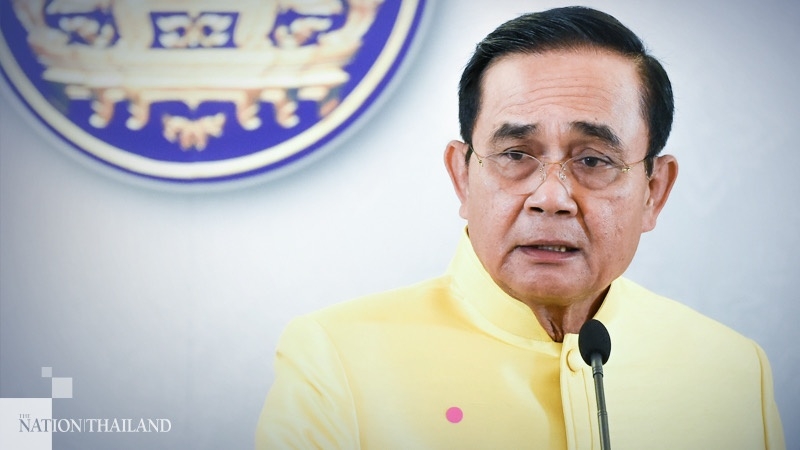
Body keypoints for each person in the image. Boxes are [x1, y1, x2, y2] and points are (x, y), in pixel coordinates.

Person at [255, 6, 785, 449]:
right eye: (515, 154)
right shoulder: (337, 359)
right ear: (462, 176)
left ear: (655, 191)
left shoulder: (733, 372)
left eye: (593, 160)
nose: (551, 198)